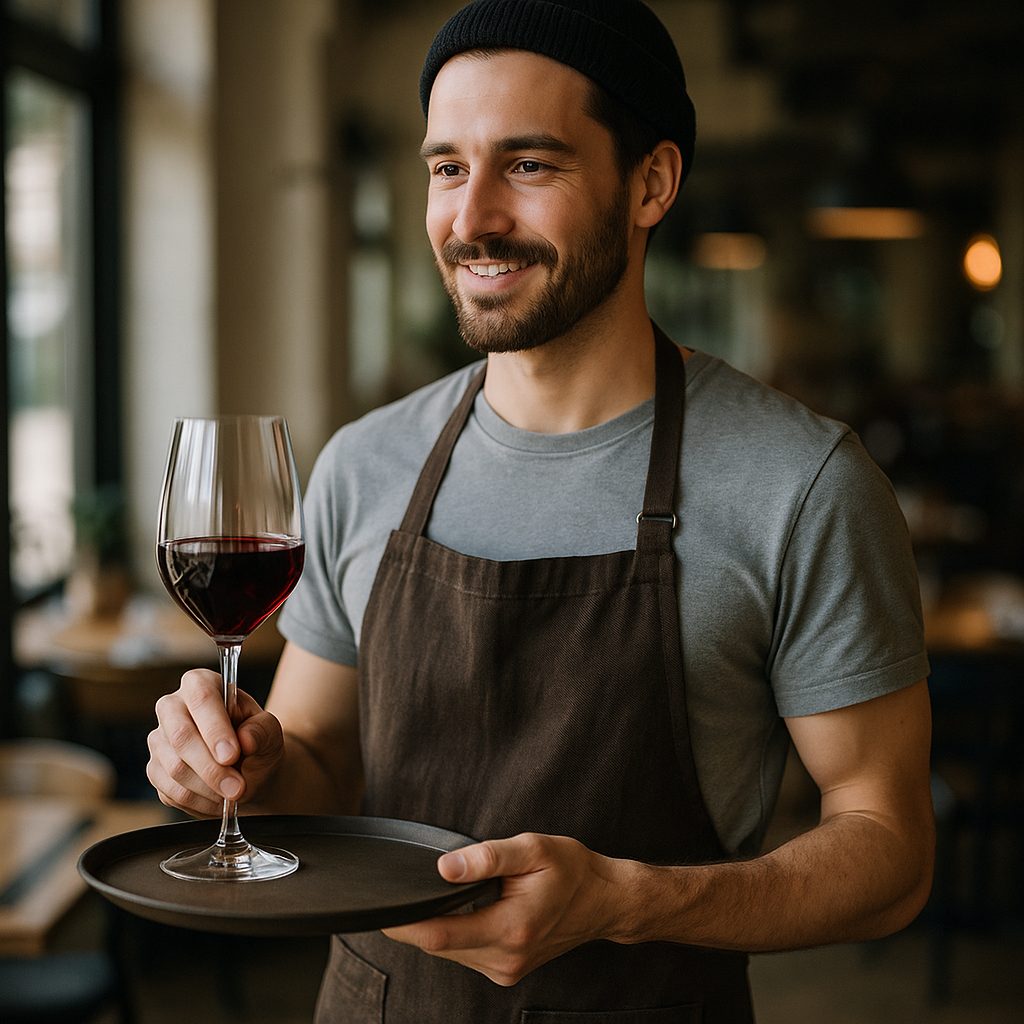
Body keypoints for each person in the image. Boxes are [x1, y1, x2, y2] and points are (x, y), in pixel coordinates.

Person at [146, 1, 934, 1019]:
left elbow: (889, 850)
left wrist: (634, 900)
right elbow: (325, 768)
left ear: (650, 182)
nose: (470, 216)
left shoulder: (803, 482)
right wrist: (237, 769)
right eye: (444, 167)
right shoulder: (362, 464)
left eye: (528, 164)